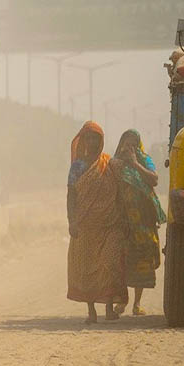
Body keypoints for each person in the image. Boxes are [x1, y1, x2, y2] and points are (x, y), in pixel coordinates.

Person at [66, 121, 128, 323]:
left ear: (101, 141)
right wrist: (71, 221)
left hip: (110, 224)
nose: (92, 142)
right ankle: (91, 311)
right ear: (83, 141)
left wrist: (124, 218)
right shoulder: (78, 166)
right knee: (87, 268)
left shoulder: (109, 164)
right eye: (88, 138)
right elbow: (71, 195)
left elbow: (120, 192)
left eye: (95, 138)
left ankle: (109, 308)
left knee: (109, 264)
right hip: (85, 225)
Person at [112, 129, 166, 316]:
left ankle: (137, 303)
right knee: (122, 262)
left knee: (142, 261)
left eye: (134, 144)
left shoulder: (144, 160)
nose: (130, 147)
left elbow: (154, 179)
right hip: (123, 220)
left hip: (143, 222)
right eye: (127, 143)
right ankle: (122, 302)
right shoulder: (115, 164)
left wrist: (135, 164)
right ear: (121, 144)